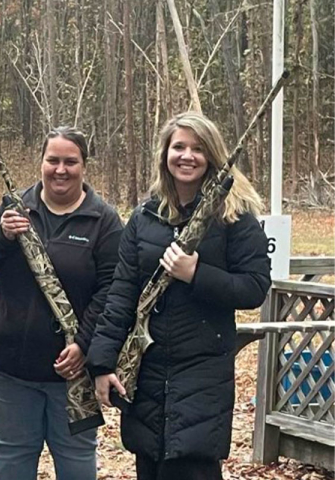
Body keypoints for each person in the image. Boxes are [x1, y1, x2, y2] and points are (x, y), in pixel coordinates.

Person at [88, 112, 271, 480]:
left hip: (203, 374)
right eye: (179, 147)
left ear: (212, 156)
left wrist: (196, 274)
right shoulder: (144, 217)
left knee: (191, 465)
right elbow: (122, 294)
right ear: (165, 154)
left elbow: (254, 287)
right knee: (150, 463)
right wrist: (102, 363)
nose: (187, 156)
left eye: (198, 149)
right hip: (148, 373)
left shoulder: (235, 217)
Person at [0, 127, 123, 480]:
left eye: (70, 162)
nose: (60, 169)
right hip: (10, 366)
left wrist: (84, 345)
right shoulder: (14, 207)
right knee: (12, 454)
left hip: (73, 371)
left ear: (84, 165)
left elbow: (113, 290)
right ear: (41, 162)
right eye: (52, 160)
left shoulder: (103, 220)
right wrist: (2, 236)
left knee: (76, 458)